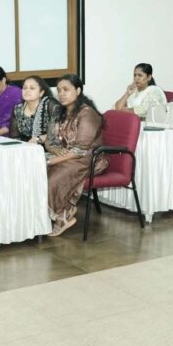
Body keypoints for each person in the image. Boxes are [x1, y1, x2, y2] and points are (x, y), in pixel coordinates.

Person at [45, 75, 107, 237]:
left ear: (78, 90)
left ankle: (61, 216)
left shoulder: (87, 114)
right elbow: (49, 141)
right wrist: (56, 151)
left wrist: (51, 161)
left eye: (66, 90)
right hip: (67, 155)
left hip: (89, 158)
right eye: (59, 90)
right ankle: (55, 214)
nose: (61, 94)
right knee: (36, 171)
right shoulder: (59, 111)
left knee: (53, 177)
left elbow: (80, 149)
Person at [10, 75, 56, 142]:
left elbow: (58, 132)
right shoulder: (18, 109)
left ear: (41, 93)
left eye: (32, 88)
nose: (27, 91)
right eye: (25, 88)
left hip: (48, 146)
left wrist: (38, 139)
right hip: (26, 146)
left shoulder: (50, 105)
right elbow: (14, 137)